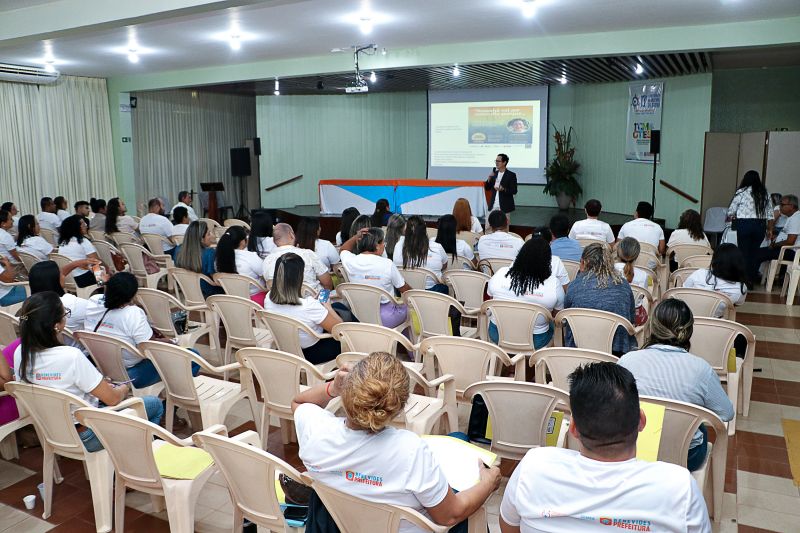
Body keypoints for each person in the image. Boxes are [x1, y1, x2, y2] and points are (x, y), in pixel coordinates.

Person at [294, 352, 502, 533]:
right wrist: (488, 483)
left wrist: (333, 388)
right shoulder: (410, 451)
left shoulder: (316, 432)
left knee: (458, 439)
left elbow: (299, 402)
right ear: (400, 407)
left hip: (341, 523)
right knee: (467, 478)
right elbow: (449, 516)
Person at [499, 362, 710, 532]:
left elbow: (508, 526)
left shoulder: (534, 466)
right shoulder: (679, 488)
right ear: (642, 421)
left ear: (573, 428)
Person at [13, 292, 164, 452]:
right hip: (88, 434)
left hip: (52, 431)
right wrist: (123, 389)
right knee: (153, 405)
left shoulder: (20, 353)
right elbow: (112, 399)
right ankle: (135, 458)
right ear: (56, 325)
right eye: (65, 313)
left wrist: (99, 384)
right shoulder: (70, 356)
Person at [619, 299, 734, 470]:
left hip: (635, 447)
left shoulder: (627, 361)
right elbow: (726, 413)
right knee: (698, 425)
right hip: (685, 455)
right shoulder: (701, 369)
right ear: (689, 331)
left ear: (652, 327)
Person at [84, 272, 200, 388]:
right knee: (193, 356)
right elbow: (149, 346)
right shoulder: (132, 313)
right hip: (130, 375)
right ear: (132, 295)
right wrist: (172, 342)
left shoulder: (94, 301)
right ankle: (179, 396)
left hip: (100, 369)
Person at [264, 253, 342, 364]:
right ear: (299, 277)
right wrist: (328, 307)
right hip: (311, 354)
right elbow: (339, 331)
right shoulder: (308, 306)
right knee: (345, 319)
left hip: (287, 348)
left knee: (339, 307)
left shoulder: (268, 298)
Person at [487, 238, 563, 348]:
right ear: (547, 260)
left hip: (497, 334)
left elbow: (490, 298)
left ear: (520, 255)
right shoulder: (554, 284)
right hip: (536, 341)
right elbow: (556, 315)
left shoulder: (501, 273)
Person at [565, 243, 637, 354]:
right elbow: (631, 319)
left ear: (583, 263)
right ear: (610, 263)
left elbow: (567, 315)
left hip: (579, 349)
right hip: (617, 351)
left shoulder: (574, 286)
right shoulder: (623, 285)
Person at [340, 227, 411, 328]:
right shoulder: (387, 264)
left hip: (359, 315)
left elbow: (343, 249)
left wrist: (357, 236)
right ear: (377, 246)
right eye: (383, 243)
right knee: (409, 308)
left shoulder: (350, 261)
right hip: (385, 318)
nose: (384, 246)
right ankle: (401, 341)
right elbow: (404, 289)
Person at [726, 170, 772, 286]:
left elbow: (731, 211)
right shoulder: (764, 193)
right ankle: (751, 278)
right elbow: (770, 214)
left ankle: (743, 280)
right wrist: (770, 229)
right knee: (754, 253)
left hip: (744, 225)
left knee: (743, 252)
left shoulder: (741, 192)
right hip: (760, 225)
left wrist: (732, 216)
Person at [28, 260, 97, 333]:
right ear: (54, 279)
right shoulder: (73, 304)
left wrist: (75, 264)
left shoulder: (30, 305)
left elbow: (50, 276)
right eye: (59, 273)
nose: (63, 275)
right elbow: (102, 313)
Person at [263, 223, 332, 294]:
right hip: (312, 301)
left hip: (279, 303)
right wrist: (324, 302)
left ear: (274, 241)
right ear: (292, 235)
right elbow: (327, 284)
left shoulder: (267, 261)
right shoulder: (308, 254)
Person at [683, 243, 747, 317]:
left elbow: (684, 290)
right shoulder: (740, 288)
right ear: (738, 263)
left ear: (714, 260)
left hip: (687, 318)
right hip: (714, 324)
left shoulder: (699, 273)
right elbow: (735, 305)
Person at [393, 215, 449, 292]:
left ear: (406, 230)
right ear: (425, 229)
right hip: (433, 294)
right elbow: (444, 265)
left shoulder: (398, 245)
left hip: (405, 292)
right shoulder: (437, 247)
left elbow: (397, 268)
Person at [216, 226, 267, 305]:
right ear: (242, 242)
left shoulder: (219, 257)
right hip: (253, 301)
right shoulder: (250, 257)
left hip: (231, 299)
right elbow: (265, 275)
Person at [175, 220, 223, 298]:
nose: (211, 236)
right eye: (208, 234)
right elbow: (216, 279)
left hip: (189, 293)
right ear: (201, 239)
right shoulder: (209, 253)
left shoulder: (178, 250)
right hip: (210, 295)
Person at [615, 237, 652, 326]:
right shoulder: (643, 275)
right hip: (635, 318)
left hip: (612, 314)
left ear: (618, 252)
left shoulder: (608, 270)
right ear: (637, 255)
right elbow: (642, 296)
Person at [756, 194, 799, 267]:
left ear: (791, 206)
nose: (779, 207)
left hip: (791, 251)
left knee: (757, 254)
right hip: (786, 249)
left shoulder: (796, 218)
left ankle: (751, 277)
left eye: (782, 205)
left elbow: (790, 242)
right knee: (757, 252)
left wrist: (774, 245)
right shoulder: (792, 217)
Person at [58, 215, 100, 288]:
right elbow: (95, 263)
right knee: (106, 275)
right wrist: (101, 281)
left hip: (67, 279)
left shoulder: (62, 244)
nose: (86, 225)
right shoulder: (83, 241)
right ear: (75, 227)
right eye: (83, 224)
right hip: (83, 279)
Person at [484, 154, 517, 220]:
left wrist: (503, 189)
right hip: (493, 205)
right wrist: (489, 178)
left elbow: (514, 191)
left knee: (503, 229)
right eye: (496, 161)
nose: (496, 162)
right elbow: (487, 188)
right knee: (488, 228)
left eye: (498, 161)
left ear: (504, 162)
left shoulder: (511, 175)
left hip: (504, 207)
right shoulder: (494, 174)